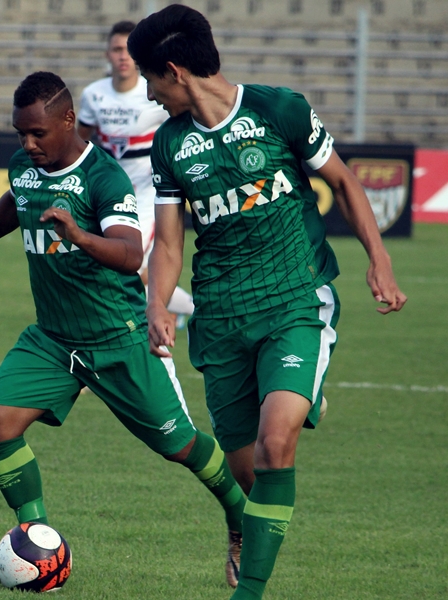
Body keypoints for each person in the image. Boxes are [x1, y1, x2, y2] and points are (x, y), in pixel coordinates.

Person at [127, 6, 407, 598]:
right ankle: (289, 422)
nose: (149, 94)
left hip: (294, 301)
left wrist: (378, 259)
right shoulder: (170, 144)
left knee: (276, 445)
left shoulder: (280, 109)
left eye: (150, 79)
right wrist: (157, 304)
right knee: (248, 474)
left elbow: (343, 182)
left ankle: (248, 593)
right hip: (221, 317)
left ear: (174, 71)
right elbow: (170, 243)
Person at [0, 71, 246, 585]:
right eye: (20, 133)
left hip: (117, 339)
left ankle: (241, 517)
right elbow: (17, 198)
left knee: (179, 445)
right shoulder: (25, 165)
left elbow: (131, 253)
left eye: (38, 133)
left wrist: (78, 234)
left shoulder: (103, 177)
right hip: (53, 340)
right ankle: (36, 546)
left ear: (68, 120)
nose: (28, 144)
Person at [78, 20, 194, 325]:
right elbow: (80, 141)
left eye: (128, 50)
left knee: (125, 261)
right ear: (107, 54)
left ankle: (154, 318)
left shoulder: (153, 92)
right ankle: (183, 309)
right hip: (108, 193)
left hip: (146, 194)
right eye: (116, 49)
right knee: (123, 266)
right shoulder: (93, 94)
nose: (122, 56)